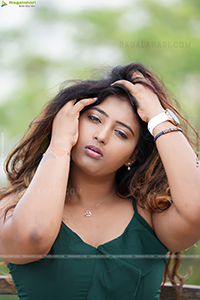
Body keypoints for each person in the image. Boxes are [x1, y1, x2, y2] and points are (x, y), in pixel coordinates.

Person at [0, 63, 200, 300]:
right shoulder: (12, 207)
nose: (102, 136)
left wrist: (159, 118)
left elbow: (196, 208)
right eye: (94, 119)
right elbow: (33, 236)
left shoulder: (150, 215)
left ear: (133, 155)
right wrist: (59, 144)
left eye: (121, 133)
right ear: (71, 120)